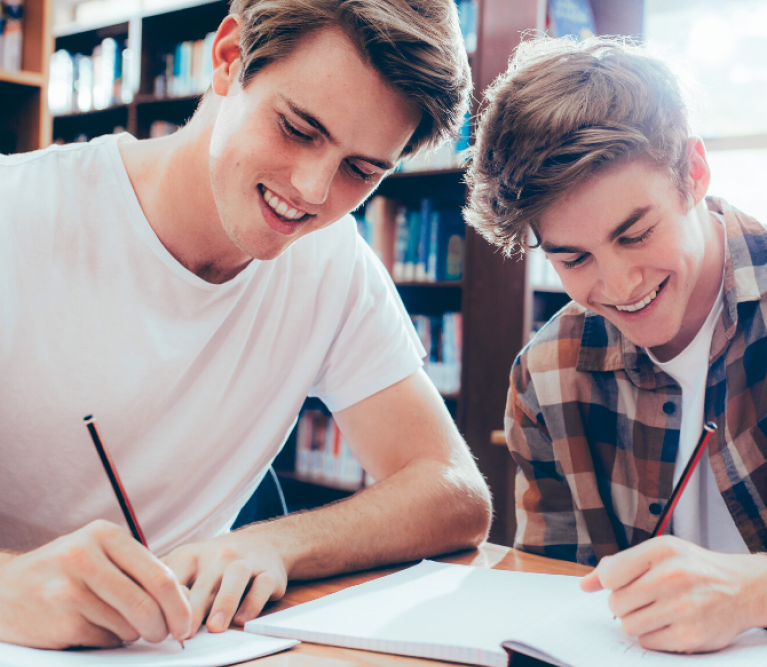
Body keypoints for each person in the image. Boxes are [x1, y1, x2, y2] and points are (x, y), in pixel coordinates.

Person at [0, 0, 492, 650]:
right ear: (228, 57)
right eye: (297, 128)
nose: (314, 191)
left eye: (361, 170)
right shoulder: (18, 214)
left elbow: (453, 492)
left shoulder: (331, 263)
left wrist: (277, 543)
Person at [465, 34, 767, 654]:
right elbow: (553, 599)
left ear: (694, 173)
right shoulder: (547, 377)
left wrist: (753, 592)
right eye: (573, 259)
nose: (619, 286)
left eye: (636, 233)